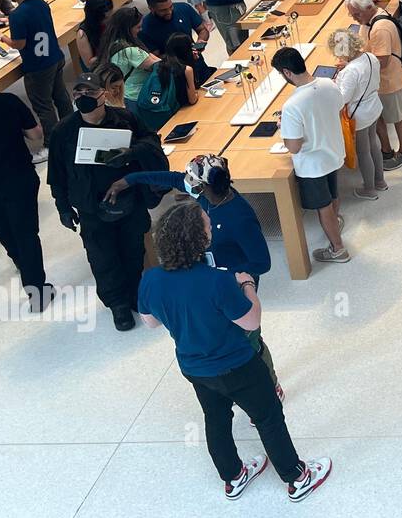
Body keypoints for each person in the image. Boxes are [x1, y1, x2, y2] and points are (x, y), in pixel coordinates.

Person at [138, 200, 331, 501]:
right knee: (269, 418)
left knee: (216, 419)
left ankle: (233, 476)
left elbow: (150, 323)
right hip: (239, 366)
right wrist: (247, 285)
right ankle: (297, 477)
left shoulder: (151, 279)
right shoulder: (218, 281)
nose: (209, 226)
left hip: (194, 368)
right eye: (205, 223)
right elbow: (251, 320)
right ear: (198, 239)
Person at [112, 153, 278, 386]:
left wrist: (237, 281)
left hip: (234, 284)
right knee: (217, 332)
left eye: (191, 179)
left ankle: (268, 383)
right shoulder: (206, 195)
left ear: (202, 185)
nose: (186, 182)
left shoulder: (240, 218)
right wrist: (129, 180)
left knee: (249, 339)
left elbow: (262, 262)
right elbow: (171, 179)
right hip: (208, 282)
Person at [48, 73, 164, 330]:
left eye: (89, 93)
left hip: (129, 200)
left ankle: (135, 294)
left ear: (103, 95)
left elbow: (151, 140)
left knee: (133, 250)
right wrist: (63, 208)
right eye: (77, 94)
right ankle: (117, 304)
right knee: (102, 258)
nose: (83, 98)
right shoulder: (63, 131)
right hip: (91, 207)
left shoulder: (124, 119)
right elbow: (56, 174)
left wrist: (131, 152)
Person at [271, 47, 349, 263]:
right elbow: (339, 106)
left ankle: (338, 248)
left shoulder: (292, 106)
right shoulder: (328, 84)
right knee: (333, 195)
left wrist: (284, 129)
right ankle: (336, 223)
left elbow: (294, 147)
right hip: (333, 151)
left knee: (323, 206)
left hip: (312, 164)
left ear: (287, 72)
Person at [0, 0, 73, 143]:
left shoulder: (17, 15)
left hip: (38, 66)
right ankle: (72, 129)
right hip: (55, 55)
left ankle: (51, 143)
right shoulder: (40, 3)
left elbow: (19, 44)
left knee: (43, 106)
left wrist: (0, 37)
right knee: (61, 97)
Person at [0, 82, 50, 305]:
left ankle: (19, 261)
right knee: (26, 232)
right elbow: (35, 135)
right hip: (17, 175)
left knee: (2, 228)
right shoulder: (8, 101)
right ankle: (37, 292)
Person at [346, 0, 402, 169]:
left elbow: (381, 61)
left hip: (388, 81)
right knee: (378, 119)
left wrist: (356, 66)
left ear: (369, 8)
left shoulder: (380, 28)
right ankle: (386, 150)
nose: (355, 18)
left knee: (396, 117)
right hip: (376, 83)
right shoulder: (368, 20)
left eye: (357, 14)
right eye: (352, 15)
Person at [328, 28, 385, 200]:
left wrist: (334, 84)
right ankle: (380, 181)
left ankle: (369, 189)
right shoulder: (370, 57)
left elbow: (343, 97)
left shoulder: (350, 71)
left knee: (363, 151)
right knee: (374, 144)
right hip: (374, 106)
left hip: (359, 114)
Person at [97, 5, 160, 112]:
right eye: (138, 27)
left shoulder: (113, 43)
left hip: (122, 95)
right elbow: (158, 65)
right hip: (135, 97)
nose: (141, 30)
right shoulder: (130, 51)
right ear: (127, 29)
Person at [141, 0, 211, 76]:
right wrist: (184, 54)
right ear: (151, 9)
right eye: (163, 10)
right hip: (173, 72)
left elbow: (202, 30)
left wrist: (200, 41)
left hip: (197, 63)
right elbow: (155, 58)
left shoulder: (184, 8)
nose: (169, 12)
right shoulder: (145, 28)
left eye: (171, 7)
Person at [78, 0, 114, 72]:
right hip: (98, 70)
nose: (109, 20)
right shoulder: (83, 34)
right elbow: (88, 63)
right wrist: (111, 49)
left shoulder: (109, 22)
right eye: (106, 18)